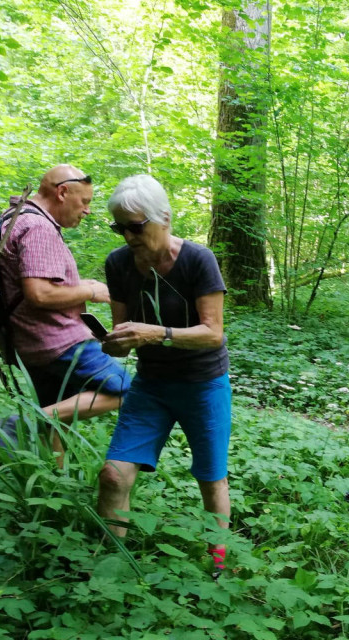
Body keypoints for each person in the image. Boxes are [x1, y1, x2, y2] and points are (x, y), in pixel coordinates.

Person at [95, 174, 232, 576]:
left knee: (211, 479)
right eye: (119, 227)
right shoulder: (118, 264)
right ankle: (108, 568)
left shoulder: (197, 260)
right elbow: (123, 328)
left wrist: (157, 333)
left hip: (203, 383)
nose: (128, 235)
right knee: (112, 475)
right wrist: (116, 341)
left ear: (164, 218)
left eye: (136, 226)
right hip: (151, 385)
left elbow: (213, 333)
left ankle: (220, 564)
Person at [0, 165, 131, 429]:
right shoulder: (38, 227)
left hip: (27, 340)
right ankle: (13, 429)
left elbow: (29, 283)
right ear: (63, 192)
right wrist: (92, 291)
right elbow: (40, 294)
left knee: (58, 418)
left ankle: (56, 471)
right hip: (58, 341)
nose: (87, 210)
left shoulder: (15, 216)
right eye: (85, 201)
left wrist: (78, 284)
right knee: (123, 389)